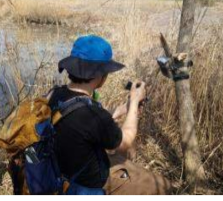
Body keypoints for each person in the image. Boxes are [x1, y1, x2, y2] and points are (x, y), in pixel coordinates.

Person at [48, 34, 171, 195]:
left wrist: (121, 111)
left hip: (60, 171)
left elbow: (83, 125)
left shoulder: (54, 95)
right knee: (164, 185)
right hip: (89, 184)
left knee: (125, 158)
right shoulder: (94, 115)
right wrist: (134, 102)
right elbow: (126, 140)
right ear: (99, 75)